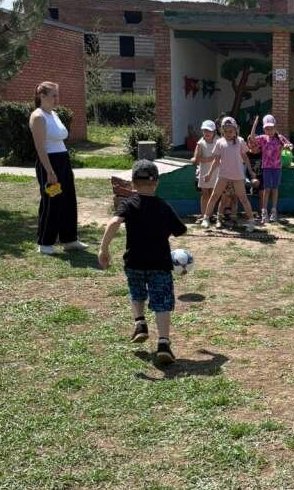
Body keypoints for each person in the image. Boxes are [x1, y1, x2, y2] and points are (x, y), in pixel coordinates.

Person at [98, 160, 187, 365]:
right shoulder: (164, 206)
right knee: (162, 303)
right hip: (159, 265)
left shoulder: (128, 204)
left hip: (134, 263)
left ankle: (140, 323)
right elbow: (181, 231)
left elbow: (113, 222)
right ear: (156, 183)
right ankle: (163, 343)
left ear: (132, 183)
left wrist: (104, 249)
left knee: (136, 293)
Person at [29, 81, 87, 255]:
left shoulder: (54, 114)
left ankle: (70, 240)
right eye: (53, 95)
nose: (57, 98)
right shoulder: (38, 116)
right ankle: (45, 243)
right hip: (49, 163)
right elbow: (40, 147)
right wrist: (50, 171)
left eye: (57, 95)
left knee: (68, 199)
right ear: (42, 96)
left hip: (63, 160)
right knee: (52, 201)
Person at [202, 116, 258, 232]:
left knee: (243, 198)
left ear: (236, 130)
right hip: (223, 175)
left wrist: (251, 171)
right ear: (222, 130)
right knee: (214, 196)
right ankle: (206, 218)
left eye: (231, 131)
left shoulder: (241, 141)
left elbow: (246, 158)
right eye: (225, 131)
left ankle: (251, 221)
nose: (228, 133)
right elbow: (216, 161)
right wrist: (209, 173)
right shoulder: (219, 142)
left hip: (238, 176)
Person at [247, 113, 292, 224]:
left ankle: (273, 211)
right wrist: (255, 124)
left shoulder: (280, 138)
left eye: (271, 128)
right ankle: (264, 212)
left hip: (277, 167)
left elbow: (290, 145)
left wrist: (288, 146)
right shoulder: (263, 138)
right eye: (267, 128)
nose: (269, 130)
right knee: (266, 190)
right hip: (266, 167)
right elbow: (252, 139)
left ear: (275, 128)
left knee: (275, 189)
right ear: (264, 129)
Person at [191, 119, 220, 220]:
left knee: (213, 194)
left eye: (209, 131)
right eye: (205, 130)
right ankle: (204, 215)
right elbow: (196, 158)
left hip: (216, 171)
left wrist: (212, 159)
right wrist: (207, 159)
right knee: (205, 194)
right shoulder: (200, 143)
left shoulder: (218, 140)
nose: (207, 133)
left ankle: (210, 215)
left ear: (214, 131)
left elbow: (221, 155)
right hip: (204, 171)